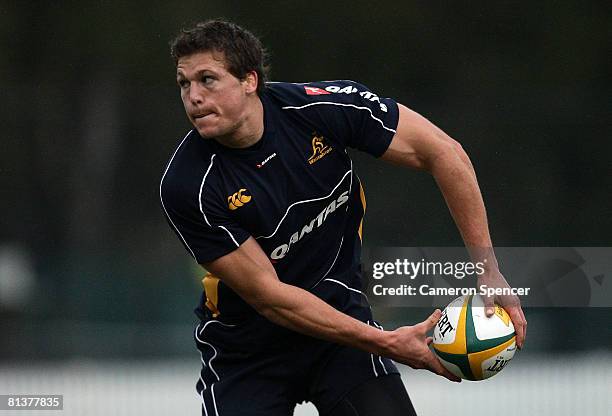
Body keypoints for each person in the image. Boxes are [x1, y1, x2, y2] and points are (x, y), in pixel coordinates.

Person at [160, 19, 527, 416]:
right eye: (184, 84)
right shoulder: (187, 185)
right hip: (248, 353)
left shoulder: (322, 109)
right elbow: (271, 299)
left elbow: (443, 153)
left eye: (207, 79)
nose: (193, 96)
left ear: (249, 80)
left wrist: (488, 270)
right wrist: (386, 342)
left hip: (343, 334)